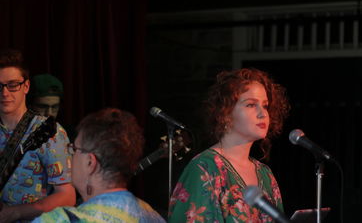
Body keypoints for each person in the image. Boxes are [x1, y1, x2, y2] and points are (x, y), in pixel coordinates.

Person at [168, 68, 290, 222]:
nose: (262, 113)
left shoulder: (266, 175)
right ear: (225, 114)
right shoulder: (205, 168)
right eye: (251, 105)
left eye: (265, 106)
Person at [32, 108, 166, 223]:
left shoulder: (59, 220)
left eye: (74, 149)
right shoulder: (152, 216)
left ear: (90, 162)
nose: (71, 156)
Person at [0, 49, 75, 222]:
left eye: (12, 85)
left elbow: (67, 197)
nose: (5, 93)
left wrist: (13, 213)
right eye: (0, 86)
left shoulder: (49, 131)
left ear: (25, 86)